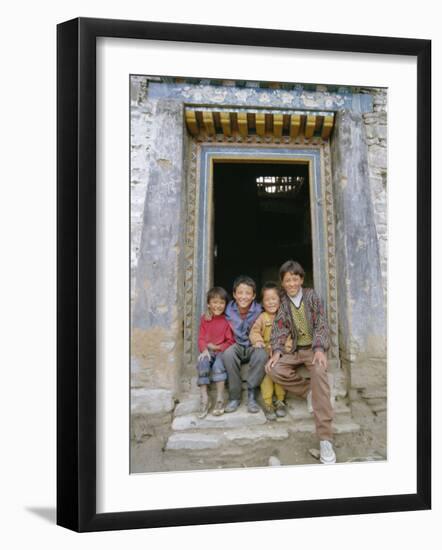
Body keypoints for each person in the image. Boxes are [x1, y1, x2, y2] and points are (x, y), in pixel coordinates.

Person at [266, 260, 336, 464]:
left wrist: (320, 349)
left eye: (295, 279)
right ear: (282, 282)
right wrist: (277, 351)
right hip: (295, 350)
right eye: (287, 280)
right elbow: (279, 328)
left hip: (313, 349)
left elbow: (322, 323)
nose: (291, 283)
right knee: (273, 369)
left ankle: (325, 439)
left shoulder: (311, 296)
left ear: (301, 279)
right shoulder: (283, 302)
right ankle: (309, 391)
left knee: (320, 372)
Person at [223, 275, 268, 413]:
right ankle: (234, 397)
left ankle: (252, 394)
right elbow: (214, 314)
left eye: (248, 293)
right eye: (240, 293)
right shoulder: (227, 310)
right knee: (228, 354)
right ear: (234, 294)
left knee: (262, 354)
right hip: (235, 345)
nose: (244, 296)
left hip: (252, 345)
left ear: (254, 296)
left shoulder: (260, 310)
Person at [249, 282, 287, 421]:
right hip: (266, 352)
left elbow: (289, 337)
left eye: (274, 299)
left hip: (280, 353)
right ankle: (268, 403)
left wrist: (283, 350)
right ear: (262, 303)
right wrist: (258, 341)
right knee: (266, 374)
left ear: (279, 300)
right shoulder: (262, 317)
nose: (271, 302)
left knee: (278, 371)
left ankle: (281, 401)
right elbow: (254, 332)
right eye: (267, 300)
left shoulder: (284, 317)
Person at [196, 286, 235, 418]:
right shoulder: (204, 319)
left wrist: (218, 348)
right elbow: (201, 337)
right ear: (208, 304)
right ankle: (205, 399)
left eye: (221, 303)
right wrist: (204, 349)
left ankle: (219, 399)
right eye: (214, 302)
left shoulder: (226, 321)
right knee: (202, 362)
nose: (218, 306)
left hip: (221, 352)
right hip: (208, 350)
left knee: (218, 366)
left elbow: (230, 341)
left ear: (225, 305)